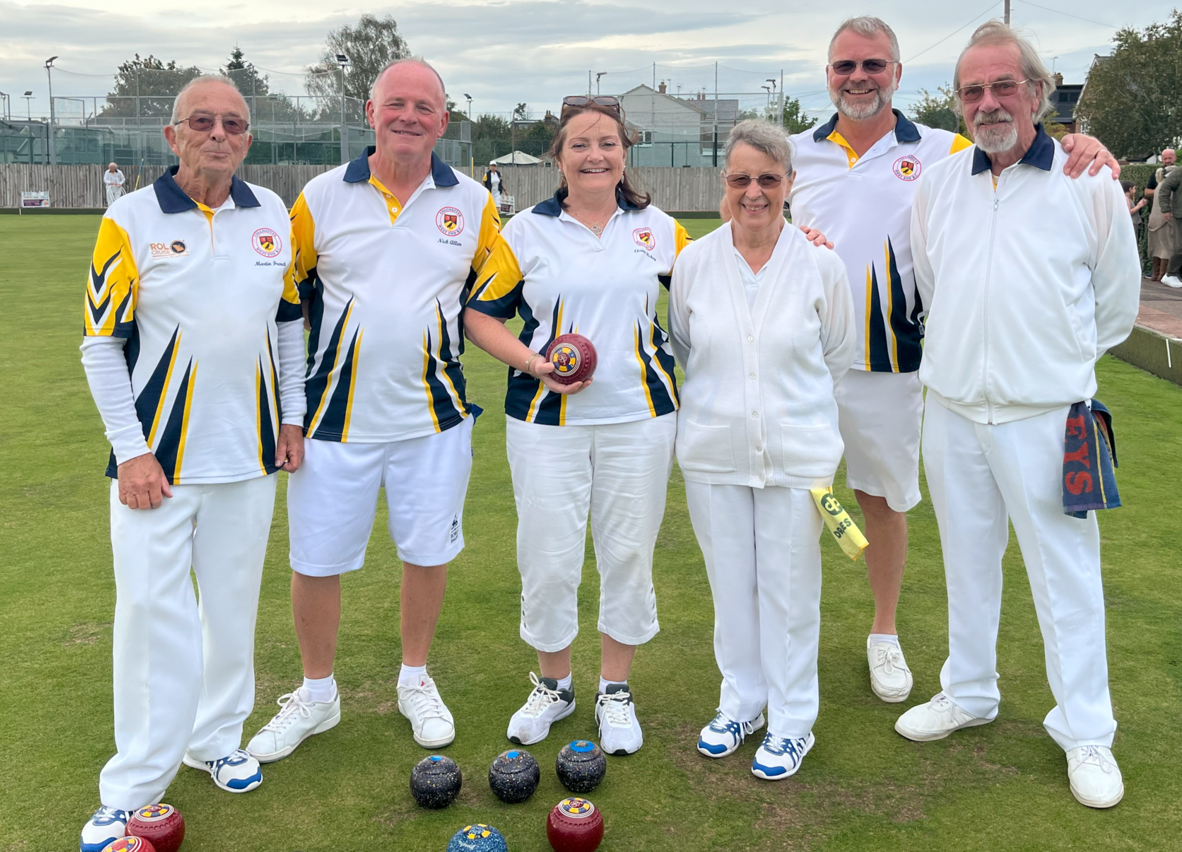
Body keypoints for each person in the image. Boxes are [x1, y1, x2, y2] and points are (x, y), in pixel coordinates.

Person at [786, 16, 1120, 704]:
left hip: (907, 373)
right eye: (845, 66)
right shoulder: (800, 156)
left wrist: (1086, 144)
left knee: (881, 501)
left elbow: (1108, 305)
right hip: (811, 369)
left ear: (899, 74)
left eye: (873, 65)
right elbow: (939, 278)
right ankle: (792, 651)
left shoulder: (944, 150)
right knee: (796, 509)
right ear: (828, 76)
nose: (859, 78)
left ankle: (886, 637)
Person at [903, 21, 1140, 809]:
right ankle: (970, 693)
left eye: (1004, 85)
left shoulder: (1089, 182)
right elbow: (934, 286)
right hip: (954, 409)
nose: (988, 102)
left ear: (1038, 93)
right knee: (967, 565)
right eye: (973, 90)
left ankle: (1087, 732)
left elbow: (1114, 307)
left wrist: (1050, 366)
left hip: (1048, 416)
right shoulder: (938, 184)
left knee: (1066, 578)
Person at [246, 58, 508, 761]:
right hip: (333, 423)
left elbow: (504, 292)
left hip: (435, 419)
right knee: (315, 560)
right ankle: (317, 693)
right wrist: (288, 412)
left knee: (427, 553)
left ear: (443, 121)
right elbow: (281, 305)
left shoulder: (476, 205)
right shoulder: (321, 198)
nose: (409, 117)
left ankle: (415, 680)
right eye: (397, 103)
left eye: (425, 106)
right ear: (370, 111)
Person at [78, 75, 306, 851]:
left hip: (248, 459)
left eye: (234, 123)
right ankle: (133, 784)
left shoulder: (271, 213)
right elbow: (100, 344)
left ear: (249, 138)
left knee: (233, 609)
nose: (219, 134)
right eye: (202, 121)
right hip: (158, 468)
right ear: (173, 135)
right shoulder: (129, 218)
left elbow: (289, 324)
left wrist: (292, 415)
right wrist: (131, 451)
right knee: (150, 614)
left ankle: (216, 740)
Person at [464, 96, 688, 755]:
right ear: (559, 157)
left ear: (625, 154)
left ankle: (614, 691)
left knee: (627, 553)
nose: (595, 154)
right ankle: (554, 685)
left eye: (608, 143)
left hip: (641, 418)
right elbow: (479, 316)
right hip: (545, 422)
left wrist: (798, 245)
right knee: (549, 555)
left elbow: (719, 289)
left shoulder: (660, 229)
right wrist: (535, 363)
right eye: (580, 144)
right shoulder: (527, 231)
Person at [669, 119, 854, 780]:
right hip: (713, 453)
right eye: (741, 178)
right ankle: (742, 704)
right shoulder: (693, 262)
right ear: (726, 183)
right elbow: (686, 348)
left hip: (797, 456)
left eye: (768, 179)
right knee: (732, 588)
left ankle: (792, 720)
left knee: (789, 590)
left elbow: (835, 357)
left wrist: (787, 418)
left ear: (789, 184)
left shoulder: (822, 265)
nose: (754, 192)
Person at [1144, 148, 1175, 281]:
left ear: (1174, 158)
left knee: (1158, 245)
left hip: (1157, 215)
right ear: (1162, 159)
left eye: (1170, 158)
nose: (1167, 161)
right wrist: (1161, 190)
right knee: (1166, 245)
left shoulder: (1170, 174)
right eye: (1165, 158)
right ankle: (1161, 274)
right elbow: (1146, 191)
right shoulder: (1159, 175)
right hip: (1165, 215)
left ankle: (1157, 274)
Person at [1154, 161, 1182, 288]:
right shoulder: (1179, 172)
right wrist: (1165, 209)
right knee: (1179, 246)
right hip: (1180, 214)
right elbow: (1165, 188)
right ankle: (1170, 274)